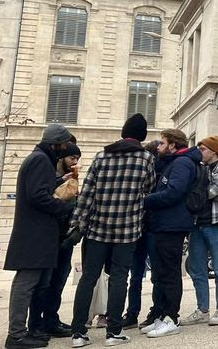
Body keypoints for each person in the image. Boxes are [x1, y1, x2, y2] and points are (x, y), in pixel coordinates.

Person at [67, 113, 156, 347]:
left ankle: (78, 332)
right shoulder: (146, 159)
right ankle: (113, 331)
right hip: (127, 230)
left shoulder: (102, 156)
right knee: (119, 279)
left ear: (123, 132)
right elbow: (148, 190)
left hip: (97, 228)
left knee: (88, 278)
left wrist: (77, 223)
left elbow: (87, 194)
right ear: (142, 136)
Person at [4, 124, 74, 349]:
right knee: (25, 284)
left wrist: (60, 182)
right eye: (64, 144)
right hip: (34, 234)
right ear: (56, 143)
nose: (65, 149)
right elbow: (37, 196)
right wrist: (63, 206)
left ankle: (25, 331)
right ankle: (16, 335)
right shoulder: (40, 159)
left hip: (36, 233)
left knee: (32, 284)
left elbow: (39, 188)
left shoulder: (40, 158)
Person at [140, 129, 201, 338]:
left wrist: (147, 199)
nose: (159, 147)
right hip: (164, 223)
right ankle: (162, 314)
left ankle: (171, 317)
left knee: (170, 272)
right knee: (163, 273)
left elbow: (174, 192)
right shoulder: (174, 162)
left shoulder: (182, 163)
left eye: (163, 143)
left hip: (172, 224)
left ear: (173, 145)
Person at [28, 140, 82, 340]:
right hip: (50, 236)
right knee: (44, 283)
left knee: (58, 281)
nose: (74, 162)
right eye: (72, 158)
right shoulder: (50, 176)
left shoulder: (71, 178)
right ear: (61, 158)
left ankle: (51, 320)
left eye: (77, 158)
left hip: (65, 237)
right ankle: (36, 323)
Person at [182, 135, 218, 327]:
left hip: (216, 222)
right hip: (197, 223)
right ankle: (202, 309)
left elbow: (213, 190)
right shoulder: (200, 168)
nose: (199, 152)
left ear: (214, 150)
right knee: (197, 268)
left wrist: (196, 187)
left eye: (203, 149)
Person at [122, 139, 160, 330]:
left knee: (136, 275)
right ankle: (151, 311)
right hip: (150, 227)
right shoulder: (155, 172)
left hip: (141, 227)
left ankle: (132, 313)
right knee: (147, 275)